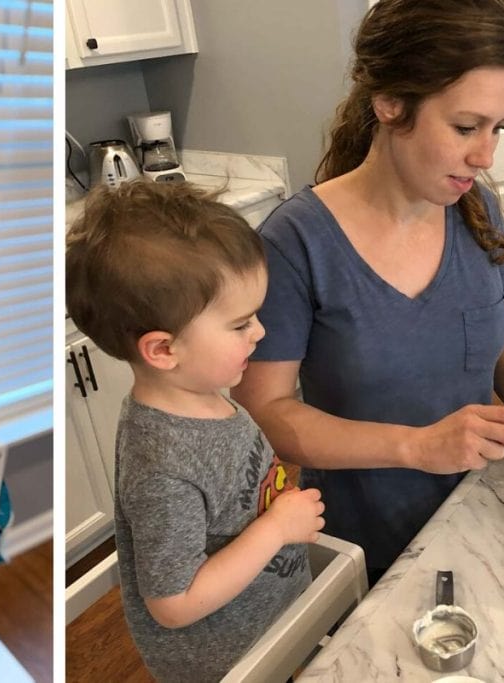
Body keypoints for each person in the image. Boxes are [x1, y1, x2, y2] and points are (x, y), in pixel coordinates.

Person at [231, 0, 504, 588]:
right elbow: (268, 414)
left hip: (485, 516)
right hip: (368, 552)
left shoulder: (478, 209)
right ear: (389, 103)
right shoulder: (296, 243)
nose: (486, 156)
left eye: (498, 127)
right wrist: (418, 447)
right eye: (465, 127)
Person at [66, 181, 326, 682]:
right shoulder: (163, 464)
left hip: (273, 623)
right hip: (231, 662)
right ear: (164, 350)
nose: (260, 332)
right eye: (240, 324)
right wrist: (277, 529)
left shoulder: (201, 395)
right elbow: (174, 602)